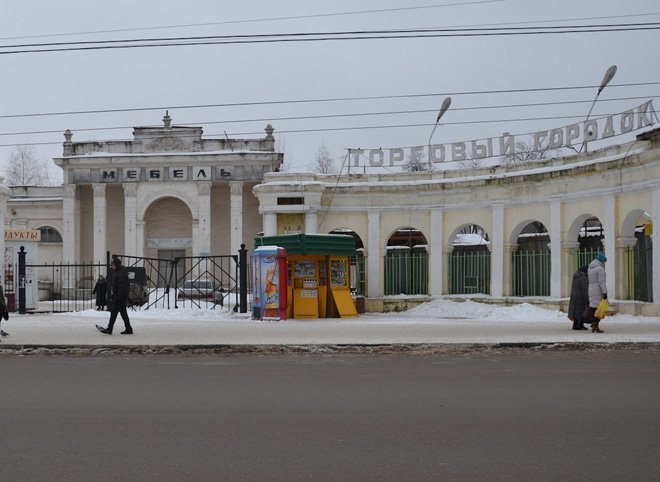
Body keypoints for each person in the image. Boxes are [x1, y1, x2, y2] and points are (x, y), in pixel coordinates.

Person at [99, 258, 133, 335]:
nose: (112, 266)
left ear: (116, 265)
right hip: (120, 297)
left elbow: (122, 287)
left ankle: (109, 329)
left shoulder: (120, 273)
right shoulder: (119, 272)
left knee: (114, 313)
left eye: (112, 265)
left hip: (119, 298)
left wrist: (118, 297)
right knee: (123, 313)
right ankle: (128, 329)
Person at [586, 252, 608, 333]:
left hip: (591, 289)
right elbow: (601, 282)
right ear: (602, 261)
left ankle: (593, 324)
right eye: (604, 262)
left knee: (593, 307)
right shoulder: (600, 269)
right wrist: (605, 292)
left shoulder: (590, 268)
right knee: (599, 309)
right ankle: (595, 325)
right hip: (598, 290)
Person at [568, 265, 589, 330]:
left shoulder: (576, 276)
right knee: (582, 311)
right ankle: (580, 325)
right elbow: (585, 289)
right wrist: (587, 299)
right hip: (581, 297)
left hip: (575, 296)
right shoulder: (583, 278)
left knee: (576, 312)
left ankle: (575, 325)